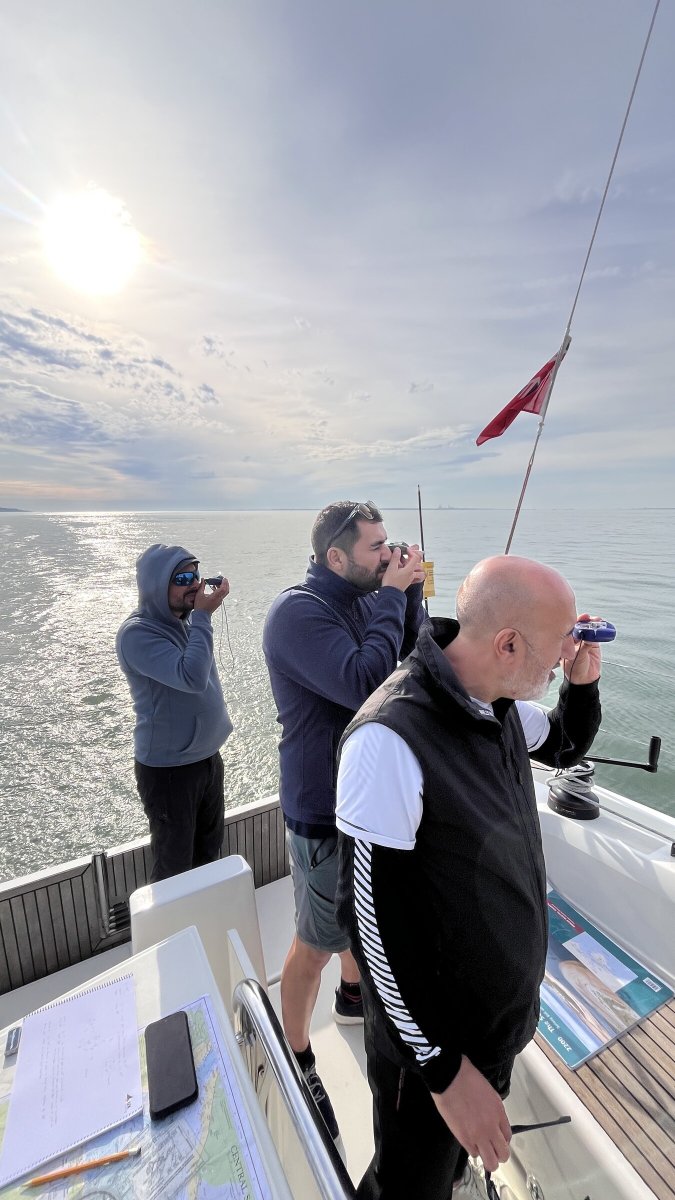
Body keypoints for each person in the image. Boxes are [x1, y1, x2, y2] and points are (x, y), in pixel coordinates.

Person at [335, 555, 603, 1199]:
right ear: (507, 644)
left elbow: (565, 740)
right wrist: (445, 1074)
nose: (564, 655)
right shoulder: (389, 740)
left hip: (490, 1031)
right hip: (428, 1052)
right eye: (557, 646)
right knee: (409, 1182)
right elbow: (370, 932)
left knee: (445, 1169)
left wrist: (583, 683)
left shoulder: (497, 701)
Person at [263, 500, 426, 1140]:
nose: (387, 555)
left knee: (364, 919)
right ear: (335, 556)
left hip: (366, 803)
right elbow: (367, 680)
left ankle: (353, 997)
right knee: (315, 939)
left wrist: (407, 594)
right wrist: (392, 592)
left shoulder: (368, 594)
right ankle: (296, 1050)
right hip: (322, 812)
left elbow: (408, 657)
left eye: (390, 545)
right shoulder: (297, 613)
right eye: (374, 548)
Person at [116, 544, 232, 883]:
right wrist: (204, 616)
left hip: (207, 758)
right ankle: (173, 933)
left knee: (209, 853)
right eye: (182, 577)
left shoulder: (185, 622)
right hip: (169, 771)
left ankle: (201, 927)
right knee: (174, 868)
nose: (194, 584)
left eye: (196, 575)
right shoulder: (137, 634)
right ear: (156, 584)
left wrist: (199, 618)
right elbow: (192, 677)